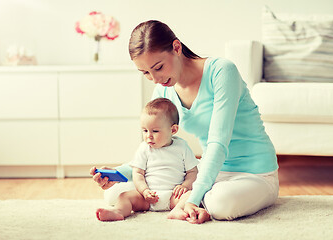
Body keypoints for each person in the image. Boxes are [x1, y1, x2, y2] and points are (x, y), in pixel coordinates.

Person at [91, 20, 279, 224]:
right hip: (209, 172)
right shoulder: (164, 90)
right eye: (146, 73)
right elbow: (154, 146)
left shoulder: (222, 72)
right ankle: (190, 204)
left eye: (158, 67)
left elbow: (218, 144)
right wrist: (117, 173)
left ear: (176, 47)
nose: (155, 78)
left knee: (221, 203)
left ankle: (195, 203)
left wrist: (194, 196)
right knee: (114, 193)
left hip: (254, 173)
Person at [92, 98, 199, 221]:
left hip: (173, 196)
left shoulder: (182, 147)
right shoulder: (144, 148)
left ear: (173, 130)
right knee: (124, 196)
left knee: (191, 195)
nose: (149, 135)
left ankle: (177, 210)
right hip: (147, 197)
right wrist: (144, 191)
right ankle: (118, 211)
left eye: (155, 131)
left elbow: (193, 172)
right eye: (145, 130)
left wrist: (185, 186)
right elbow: (137, 173)